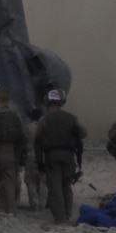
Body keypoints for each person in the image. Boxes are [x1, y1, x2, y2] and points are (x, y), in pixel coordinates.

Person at [33, 89, 87, 225]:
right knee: (66, 186)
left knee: (55, 187)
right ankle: (67, 214)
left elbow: (37, 140)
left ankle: (60, 217)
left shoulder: (44, 119)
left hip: (52, 156)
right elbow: (83, 133)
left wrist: (39, 162)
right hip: (68, 156)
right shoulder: (70, 118)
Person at [0, 87, 25, 215]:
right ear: (8, 100)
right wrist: (17, 155)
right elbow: (22, 137)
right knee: (10, 183)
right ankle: (11, 211)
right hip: (10, 152)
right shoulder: (15, 115)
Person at [22, 108, 46, 211]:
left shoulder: (27, 128)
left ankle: (34, 204)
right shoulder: (46, 128)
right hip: (44, 157)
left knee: (31, 182)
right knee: (43, 182)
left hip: (30, 156)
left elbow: (22, 142)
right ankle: (42, 204)